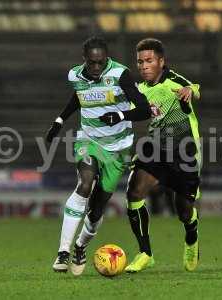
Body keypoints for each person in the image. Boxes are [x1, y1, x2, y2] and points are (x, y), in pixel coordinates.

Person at [46, 36, 150, 276]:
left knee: (96, 210)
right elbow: (79, 96)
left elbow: (144, 108)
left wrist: (121, 117)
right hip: (89, 140)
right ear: (84, 60)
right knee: (84, 184)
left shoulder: (121, 75)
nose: (95, 68)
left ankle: (81, 246)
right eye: (91, 63)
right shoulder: (75, 76)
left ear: (106, 59)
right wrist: (59, 121)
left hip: (119, 148)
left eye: (100, 63)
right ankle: (63, 251)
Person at [124, 38, 202, 273]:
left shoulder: (173, 81)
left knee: (184, 210)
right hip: (155, 147)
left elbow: (195, 88)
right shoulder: (140, 91)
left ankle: (191, 235)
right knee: (134, 192)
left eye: (148, 61)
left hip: (183, 150)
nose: (143, 66)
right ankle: (145, 253)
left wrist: (190, 91)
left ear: (161, 61)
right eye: (140, 62)